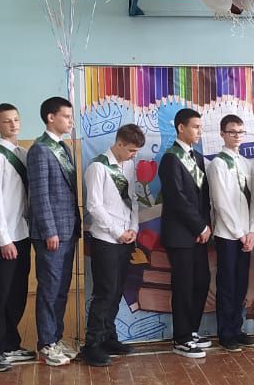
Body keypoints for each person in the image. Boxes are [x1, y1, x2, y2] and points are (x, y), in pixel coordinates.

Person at [81, 123, 145, 365]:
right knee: (104, 292)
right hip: (106, 240)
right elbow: (94, 206)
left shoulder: (128, 166)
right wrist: (118, 232)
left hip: (126, 238)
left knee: (117, 291)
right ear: (119, 144)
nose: (134, 155)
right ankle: (92, 344)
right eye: (131, 150)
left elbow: (133, 200)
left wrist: (134, 228)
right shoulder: (98, 167)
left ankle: (109, 336)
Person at [0, 103, 37, 371]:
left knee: (17, 292)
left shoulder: (22, 154)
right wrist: (3, 239)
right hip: (5, 238)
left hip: (22, 233)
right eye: (6, 121)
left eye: (16, 120)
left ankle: (11, 343)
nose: (13, 125)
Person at [28, 96, 82, 366]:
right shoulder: (40, 149)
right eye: (66, 117)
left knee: (61, 288)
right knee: (50, 288)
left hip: (68, 229)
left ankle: (56, 337)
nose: (71, 122)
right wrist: (49, 231)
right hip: (52, 233)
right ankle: (46, 343)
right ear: (51, 117)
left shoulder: (63, 148)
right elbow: (39, 196)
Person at [158, 107, 213, 359]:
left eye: (201, 127)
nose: (199, 132)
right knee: (183, 285)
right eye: (195, 127)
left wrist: (205, 226)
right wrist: (198, 226)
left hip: (199, 233)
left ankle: (192, 330)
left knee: (201, 281)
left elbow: (204, 197)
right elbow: (177, 198)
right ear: (181, 127)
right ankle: (181, 338)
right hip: (180, 234)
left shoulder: (197, 157)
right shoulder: (171, 158)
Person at [207, 115, 254, 352]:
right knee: (227, 284)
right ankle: (225, 332)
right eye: (232, 132)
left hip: (246, 235)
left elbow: (253, 201)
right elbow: (221, 203)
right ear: (222, 134)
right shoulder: (218, 164)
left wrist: (252, 231)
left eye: (240, 132)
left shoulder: (246, 163)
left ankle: (238, 329)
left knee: (241, 284)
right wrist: (239, 233)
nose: (237, 136)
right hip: (227, 235)